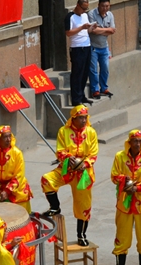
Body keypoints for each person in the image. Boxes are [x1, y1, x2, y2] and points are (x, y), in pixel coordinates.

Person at [41, 105, 99, 246]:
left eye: (85, 117)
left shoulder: (91, 132)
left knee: (83, 205)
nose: (83, 120)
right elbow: (60, 151)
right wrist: (68, 157)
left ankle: (81, 235)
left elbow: (93, 153)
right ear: (73, 118)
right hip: (66, 168)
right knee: (47, 179)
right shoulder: (63, 131)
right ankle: (55, 206)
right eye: (80, 118)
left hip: (83, 172)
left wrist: (85, 164)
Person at [108, 130, 141, 265]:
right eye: (135, 141)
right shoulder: (119, 157)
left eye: (140, 141)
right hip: (125, 203)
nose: (138, 144)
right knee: (122, 235)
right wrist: (125, 181)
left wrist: (138, 188)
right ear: (129, 142)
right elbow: (114, 175)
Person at [0, 125, 33, 213]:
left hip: (16, 191)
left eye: (10, 136)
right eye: (5, 137)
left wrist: (7, 190)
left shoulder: (17, 153)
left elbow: (19, 175)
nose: (8, 139)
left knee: (21, 218)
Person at [66, 0, 95, 106]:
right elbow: (68, 32)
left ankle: (82, 95)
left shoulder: (85, 16)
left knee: (85, 73)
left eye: (86, 9)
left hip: (87, 45)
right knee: (77, 74)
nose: (84, 11)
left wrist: (92, 27)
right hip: (77, 48)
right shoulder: (70, 17)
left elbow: (87, 31)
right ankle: (76, 98)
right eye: (83, 8)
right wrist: (82, 27)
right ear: (78, 5)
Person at [88, 0, 116, 100]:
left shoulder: (110, 15)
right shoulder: (91, 14)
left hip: (104, 47)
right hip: (93, 47)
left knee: (105, 68)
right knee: (93, 69)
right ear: (98, 5)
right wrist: (106, 30)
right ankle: (95, 90)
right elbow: (93, 31)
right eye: (103, 6)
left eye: (107, 6)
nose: (105, 8)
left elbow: (113, 30)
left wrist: (100, 29)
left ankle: (104, 87)